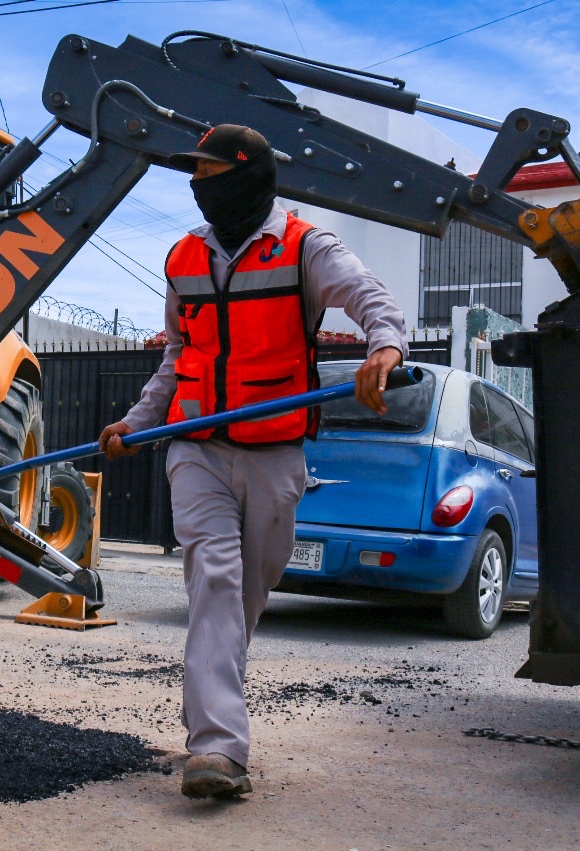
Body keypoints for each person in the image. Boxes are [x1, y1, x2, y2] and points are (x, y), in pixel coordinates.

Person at [97, 125, 407, 799]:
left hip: (274, 454)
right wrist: (139, 421)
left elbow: (368, 297)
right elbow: (179, 358)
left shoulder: (304, 247)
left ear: (245, 175)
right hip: (196, 446)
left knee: (244, 597)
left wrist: (384, 346)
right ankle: (216, 747)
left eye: (209, 173)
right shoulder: (183, 258)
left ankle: (214, 710)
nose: (197, 186)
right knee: (214, 579)